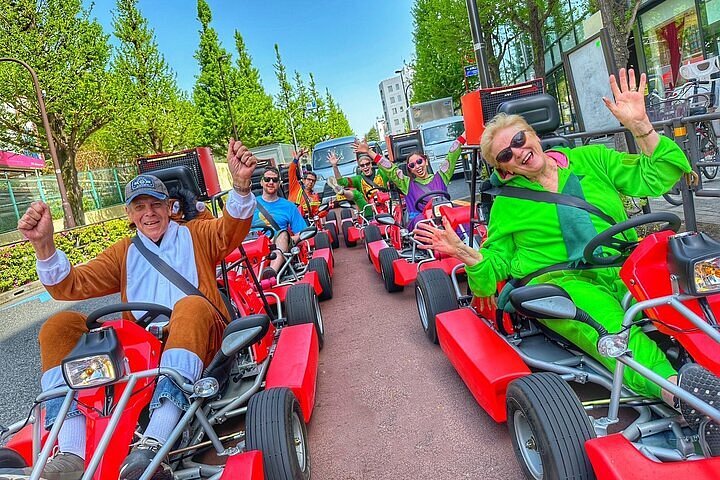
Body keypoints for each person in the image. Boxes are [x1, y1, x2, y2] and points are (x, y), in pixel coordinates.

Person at [414, 68, 719, 454]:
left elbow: (657, 177)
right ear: (504, 169)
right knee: (611, 325)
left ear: (533, 135)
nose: (518, 152)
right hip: (566, 283)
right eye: (505, 155)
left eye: (519, 140)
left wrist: (642, 126)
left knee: (699, 287)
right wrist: (463, 253)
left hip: (625, 265)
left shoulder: (591, 160)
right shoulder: (508, 206)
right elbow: (491, 273)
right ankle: (688, 399)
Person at [15, 139, 258, 480]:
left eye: (155, 204)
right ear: (129, 214)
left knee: (188, 307)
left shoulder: (197, 234)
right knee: (58, 327)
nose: (149, 213)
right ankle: (70, 450)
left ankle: (153, 442)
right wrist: (43, 246)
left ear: (170, 206)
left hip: (203, 334)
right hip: (143, 349)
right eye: (139, 206)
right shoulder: (123, 253)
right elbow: (68, 285)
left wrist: (242, 185)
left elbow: (230, 230)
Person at [353, 132, 465, 229]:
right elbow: (390, 169)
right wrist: (369, 152)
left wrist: (468, 130)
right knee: (421, 222)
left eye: (419, 162)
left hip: (446, 217)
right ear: (410, 169)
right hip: (422, 222)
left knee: (465, 217)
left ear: (425, 161)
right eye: (412, 165)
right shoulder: (407, 184)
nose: (417, 166)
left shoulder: (441, 176)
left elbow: (452, 154)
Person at [251, 165, 309, 279]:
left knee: (282, 234)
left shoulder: (289, 206)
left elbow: (301, 234)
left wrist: (284, 240)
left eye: (275, 180)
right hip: (252, 243)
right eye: (267, 179)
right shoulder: (250, 204)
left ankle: (271, 274)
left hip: (275, 245)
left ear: (279, 183)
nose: (271, 182)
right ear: (262, 182)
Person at [326, 150, 391, 214]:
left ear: (371, 164)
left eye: (367, 164)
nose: (365, 167)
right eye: (362, 165)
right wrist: (334, 166)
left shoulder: (381, 173)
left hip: (386, 203)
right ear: (360, 167)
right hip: (369, 208)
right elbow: (341, 182)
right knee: (357, 194)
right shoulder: (358, 179)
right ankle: (342, 192)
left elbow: (391, 169)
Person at [288, 147, 321, 217]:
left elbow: (317, 214)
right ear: (303, 180)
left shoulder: (315, 196)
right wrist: (298, 156)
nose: (311, 182)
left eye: (313, 181)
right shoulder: (295, 187)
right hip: (292, 218)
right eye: (309, 179)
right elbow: (291, 170)